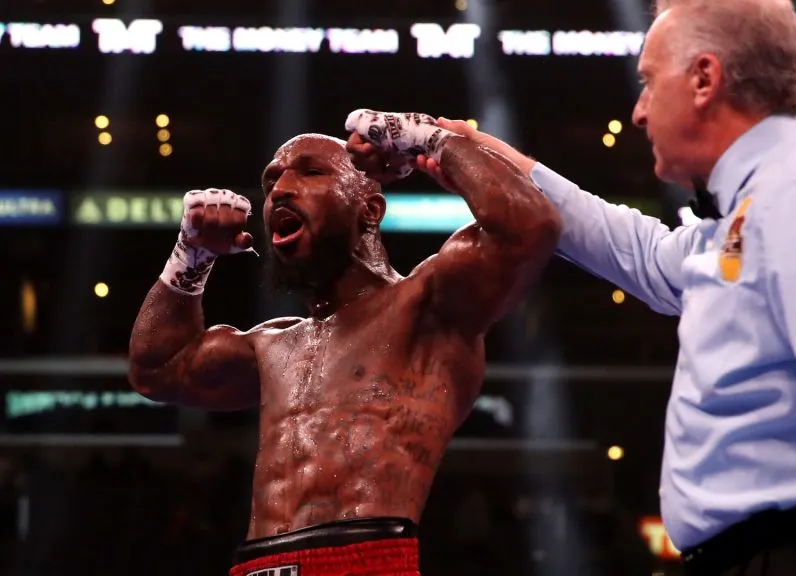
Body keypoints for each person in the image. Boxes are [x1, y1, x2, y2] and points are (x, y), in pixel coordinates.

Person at [417, 1, 796, 574]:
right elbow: (640, 252)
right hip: (749, 556)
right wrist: (484, 160)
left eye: (649, 82)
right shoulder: (748, 209)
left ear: (704, 79)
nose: (638, 112)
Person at [127, 111, 561, 576]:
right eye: (272, 181)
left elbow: (530, 225)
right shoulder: (272, 347)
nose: (281, 190)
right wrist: (190, 256)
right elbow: (156, 369)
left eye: (311, 172)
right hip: (257, 566)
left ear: (370, 209)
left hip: (364, 556)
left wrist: (425, 138)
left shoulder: (428, 306)